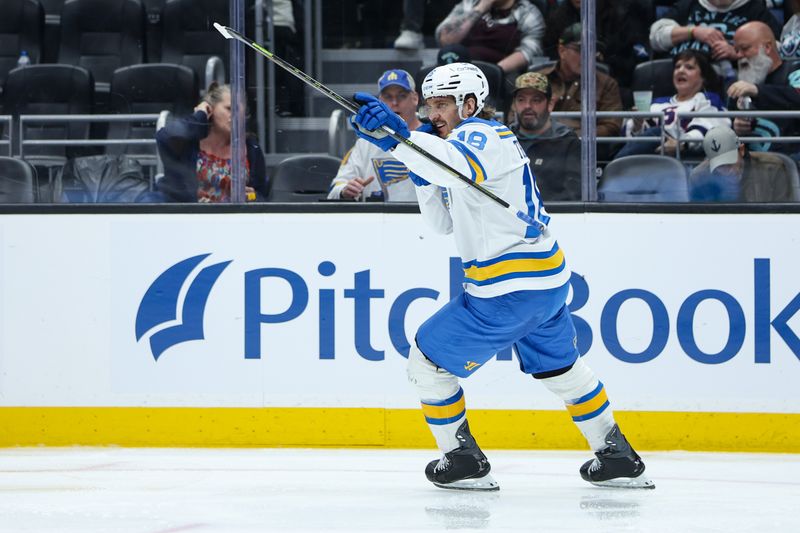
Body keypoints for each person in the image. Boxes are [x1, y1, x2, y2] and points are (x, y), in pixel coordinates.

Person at [349, 62, 654, 491]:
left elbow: (450, 165)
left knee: (427, 361)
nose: (434, 113)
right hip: (543, 285)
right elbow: (441, 224)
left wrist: (399, 137)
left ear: (470, 104)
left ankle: (462, 460)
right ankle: (616, 453)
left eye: (442, 104)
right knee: (563, 369)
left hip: (506, 290)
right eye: (431, 103)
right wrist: (415, 165)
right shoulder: (456, 147)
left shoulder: (481, 135)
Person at [155, 82, 268, 203]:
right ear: (211, 109)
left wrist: (252, 197)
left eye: (241, 112)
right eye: (229, 109)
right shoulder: (189, 142)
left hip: (233, 219)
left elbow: (262, 195)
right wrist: (199, 116)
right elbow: (163, 137)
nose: (236, 116)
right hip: (190, 216)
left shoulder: (251, 147)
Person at [327, 69, 421, 201]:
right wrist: (345, 190)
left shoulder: (433, 135)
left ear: (415, 98)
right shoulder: (365, 142)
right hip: (375, 218)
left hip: (422, 218)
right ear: (380, 100)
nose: (394, 103)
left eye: (402, 96)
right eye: (388, 97)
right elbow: (335, 189)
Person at [617, 49, 729, 158]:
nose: (680, 70)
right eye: (677, 67)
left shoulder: (708, 100)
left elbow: (711, 128)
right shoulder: (656, 103)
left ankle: (614, 171)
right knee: (654, 133)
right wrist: (637, 126)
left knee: (656, 133)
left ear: (703, 77)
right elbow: (631, 140)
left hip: (684, 159)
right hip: (648, 158)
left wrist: (682, 143)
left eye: (689, 67)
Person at [649, 0, 782, 82]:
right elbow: (655, 37)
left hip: (727, 82)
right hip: (677, 79)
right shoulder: (689, 4)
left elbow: (774, 50)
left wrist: (737, 53)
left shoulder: (754, 9)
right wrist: (693, 31)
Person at [536, 23, 624, 140]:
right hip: (542, 148)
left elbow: (611, 126)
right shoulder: (538, 80)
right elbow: (515, 118)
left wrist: (571, 137)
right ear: (562, 51)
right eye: (581, 50)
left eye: (592, 50)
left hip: (586, 152)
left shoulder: (606, 84)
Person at [727, 21, 800, 155]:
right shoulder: (738, 85)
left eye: (745, 48)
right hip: (751, 166)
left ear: (767, 47)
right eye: (736, 50)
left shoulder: (794, 70)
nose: (738, 55)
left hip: (793, 162)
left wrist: (758, 90)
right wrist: (736, 126)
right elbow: (728, 123)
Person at [542, 0, 652, 89]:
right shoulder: (558, 16)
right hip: (565, 83)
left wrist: (601, 59)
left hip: (613, 81)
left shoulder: (619, 14)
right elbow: (550, 51)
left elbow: (626, 58)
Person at [510, 71, 581, 200]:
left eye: (536, 100)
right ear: (514, 105)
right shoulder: (503, 140)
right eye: (521, 100)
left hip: (556, 217)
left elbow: (574, 194)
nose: (527, 106)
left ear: (550, 104)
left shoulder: (568, 142)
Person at [435, 0, 546, 73]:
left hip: (501, 74)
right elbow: (445, 40)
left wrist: (493, 71)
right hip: (459, 70)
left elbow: (529, 51)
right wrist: (480, 9)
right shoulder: (469, 4)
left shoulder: (527, 12)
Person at [690, 124, 795, 200]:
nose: (728, 172)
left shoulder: (772, 168)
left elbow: (782, 217)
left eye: (730, 163)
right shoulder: (699, 176)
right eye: (720, 167)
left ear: (741, 150)